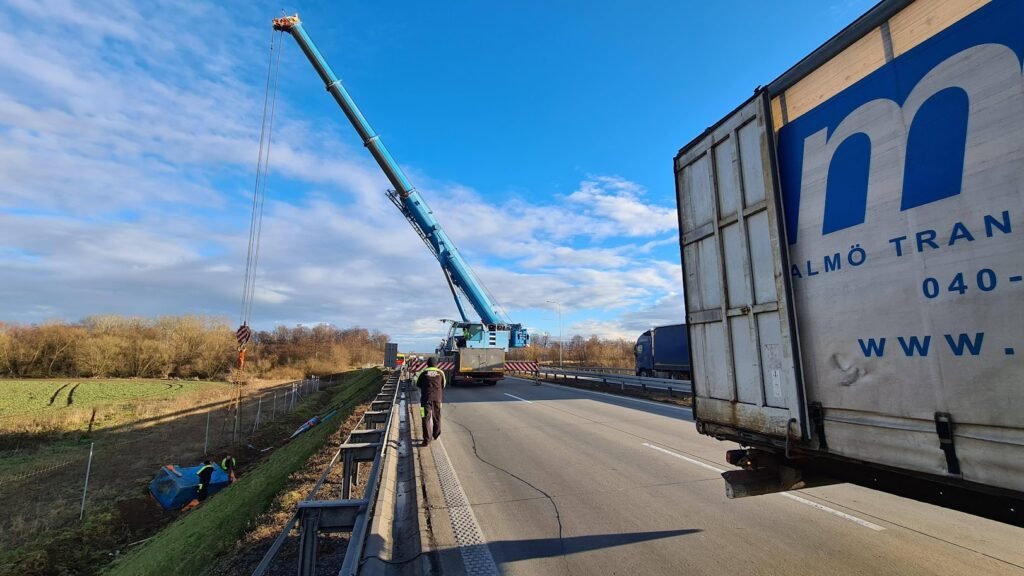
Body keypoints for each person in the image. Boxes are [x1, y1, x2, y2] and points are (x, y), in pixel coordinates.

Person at [416, 357, 446, 446]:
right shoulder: (441, 373)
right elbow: (443, 385)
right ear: (436, 364)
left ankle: (426, 440)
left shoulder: (423, 373)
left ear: (427, 364)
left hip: (425, 399)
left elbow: (418, 384)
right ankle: (436, 435)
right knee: (437, 417)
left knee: (425, 418)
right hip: (438, 399)